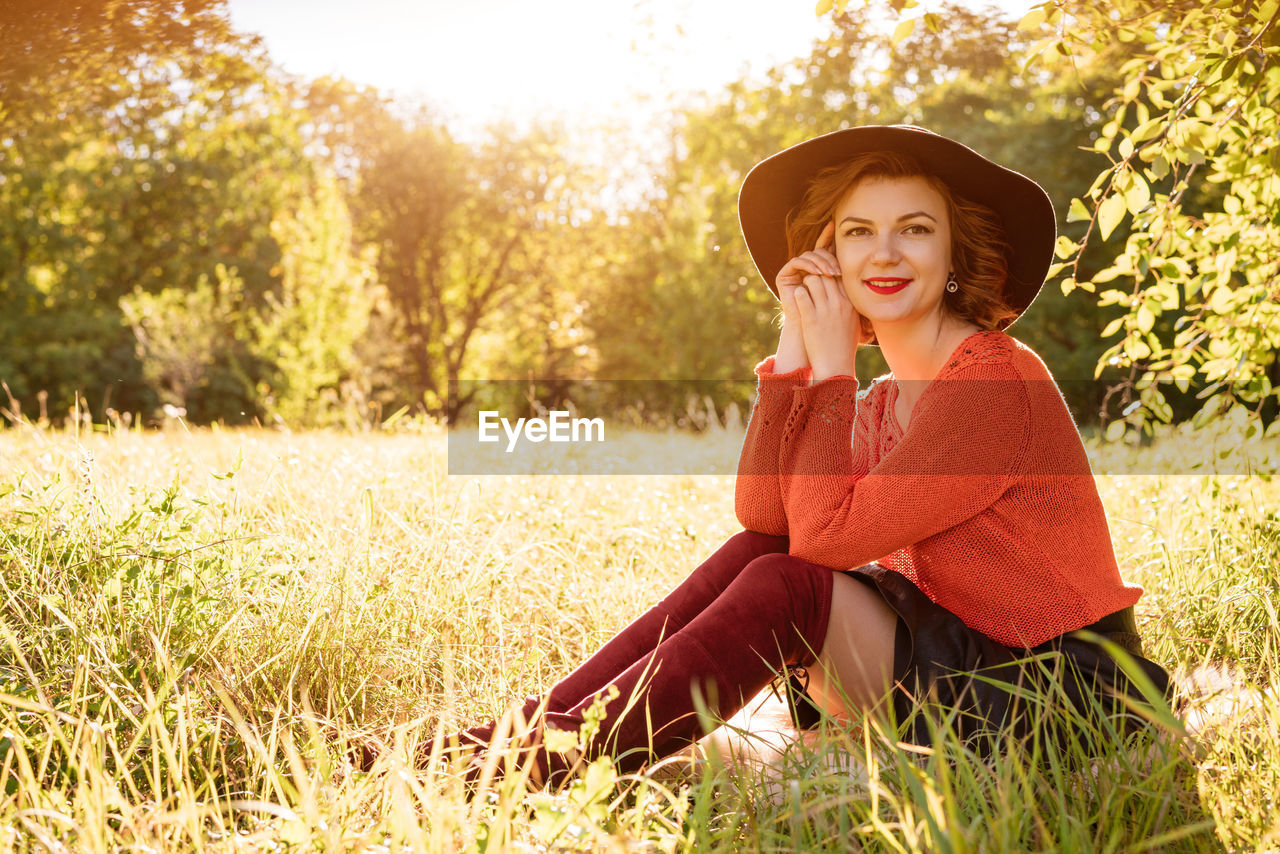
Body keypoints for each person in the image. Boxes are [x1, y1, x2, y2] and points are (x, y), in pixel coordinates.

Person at [410, 125, 1172, 789]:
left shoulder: (993, 380)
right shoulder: (878, 408)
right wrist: (796, 351)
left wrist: (833, 366)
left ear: (954, 255)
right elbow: (766, 515)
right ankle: (516, 735)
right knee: (757, 551)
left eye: (914, 230)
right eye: (855, 233)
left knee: (787, 581)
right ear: (829, 256)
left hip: (1063, 689)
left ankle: (541, 764)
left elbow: (820, 547)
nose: (884, 253)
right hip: (955, 657)